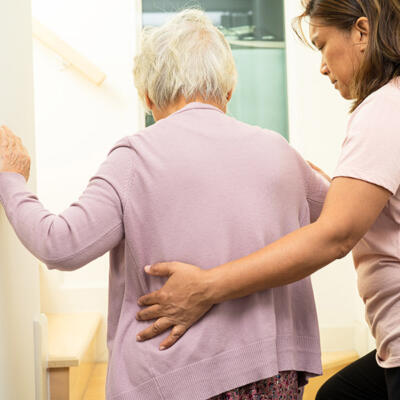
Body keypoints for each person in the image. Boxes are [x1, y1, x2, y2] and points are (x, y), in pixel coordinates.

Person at [0, 9, 330, 400]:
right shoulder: (279, 150)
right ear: (228, 89)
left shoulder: (135, 156)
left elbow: (60, 245)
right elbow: (341, 217)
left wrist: (12, 177)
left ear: (148, 96)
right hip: (275, 373)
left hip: (175, 378)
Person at [135, 1, 400, 399]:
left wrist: (206, 287)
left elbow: (334, 236)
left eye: (322, 44)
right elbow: (360, 211)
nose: (323, 66)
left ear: (362, 32)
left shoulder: (381, 110)